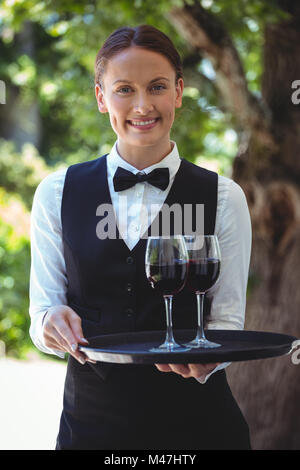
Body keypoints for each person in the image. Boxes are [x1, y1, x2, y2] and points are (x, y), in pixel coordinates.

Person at [29, 24, 252, 450]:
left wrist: (208, 360)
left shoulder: (225, 198)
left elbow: (226, 324)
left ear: (179, 93)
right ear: (100, 97)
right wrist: (49, 323)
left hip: (198, 429)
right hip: (90, 428)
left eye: (157, 87)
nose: (143, 105)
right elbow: (43, 312)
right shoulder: (56, 193)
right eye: (124, 89)